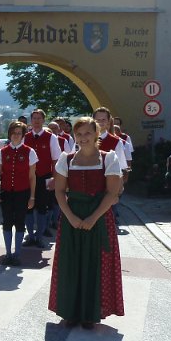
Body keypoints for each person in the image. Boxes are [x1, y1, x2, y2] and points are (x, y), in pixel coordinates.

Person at [48, 116, 124, 328]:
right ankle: (70, 311)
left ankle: (91, 313)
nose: (83, 138)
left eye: (88, 133)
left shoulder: (108, 158)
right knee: (70, 263)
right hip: (71, 217)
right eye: (79, 134)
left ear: (96, 134)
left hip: (99, 217)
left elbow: (112, 193)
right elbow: (60, 191)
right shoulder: (67, 159)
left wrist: (93, 218)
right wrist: (71, 217)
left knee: (95, 264)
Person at [0, 121, 37, 266]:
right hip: (6, 192)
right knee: (7, 221)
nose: (16, 135)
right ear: (9, 134)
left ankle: (17, 254)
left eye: (19, 133)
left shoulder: (30, 152)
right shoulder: (2, 152)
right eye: (13, 133)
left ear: (23, 135)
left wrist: (32, 196)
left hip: (22, 192)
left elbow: (32, 177)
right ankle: (8, 253)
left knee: (20, 222)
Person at [23, 109, 61, 248]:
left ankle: (39, 236)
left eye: (39, 118)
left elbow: (55, 160)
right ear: (31, 120)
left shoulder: (51, 137)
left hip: (45, 176)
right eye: (34, 118)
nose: (37, 121)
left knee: (42, 207)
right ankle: (30, 236)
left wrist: (54, 179)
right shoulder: (25, 137)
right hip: (27, 177)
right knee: (27, 207)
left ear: (43, 120)